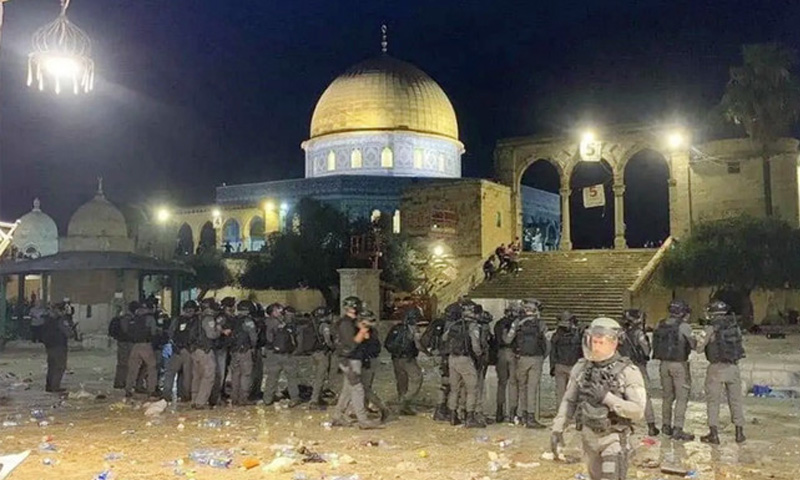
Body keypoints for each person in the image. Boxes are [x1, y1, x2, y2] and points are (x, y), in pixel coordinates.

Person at [551, 317, 646, 480]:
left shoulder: (628, 371)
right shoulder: (581, 368)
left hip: (613, 437)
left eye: (601, 342)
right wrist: (558, 426)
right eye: (593, 342)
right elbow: (569, 400)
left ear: (615, 342)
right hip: (589, 437)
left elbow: (638, 411)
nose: (596, 347)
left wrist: (607, 398)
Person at [698, 300, 746, 444]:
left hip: (716, 368)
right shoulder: (734, 327)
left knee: (713, 402)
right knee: (736, 400)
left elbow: (699, 348)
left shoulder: (710, 328)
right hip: (733, 367)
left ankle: (713, 434)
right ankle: (739, 433)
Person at [331, 296, 380, 429]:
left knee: (347, 390)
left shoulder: (349, 322)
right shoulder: (346, 324)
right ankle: (363, 421)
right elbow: (351, 344)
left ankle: (337, 416)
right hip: (349, 360)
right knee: (358, 389)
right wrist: (363, 330)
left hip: (351, 359)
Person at [652, 299, 696, 441]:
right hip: (679, 364)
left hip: (663, 364)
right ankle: (678, 428)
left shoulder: (660, 324)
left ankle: (665, 426)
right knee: (682, 397)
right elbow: (694, 345)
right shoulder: (684, 327)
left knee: (667, 397)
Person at [504, 298, 548, 428]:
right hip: (537, 358)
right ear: (536, 310)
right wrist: (542, 356)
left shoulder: (517, 322)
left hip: (521, 358)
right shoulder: (541, 324)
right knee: (532, 388)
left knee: (522, 387)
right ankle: (531, 417)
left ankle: (522, 415)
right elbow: (546, 343)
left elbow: (507, 340)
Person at [442, 301, 485, 428]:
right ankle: (470, 418)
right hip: (465, 359)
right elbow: (476, 346)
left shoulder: (454, 324)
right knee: (472, 389)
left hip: (452, 358)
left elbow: (444, 338)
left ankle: (453, 416)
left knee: (454, 389)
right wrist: (479, 356)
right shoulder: (473, 326)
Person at [618, 309, 659, 437]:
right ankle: (651, 425)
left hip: (621, 367)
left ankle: (624, 424)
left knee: (622, 394)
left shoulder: (619, 334)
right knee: (644, 396)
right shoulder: (638, 333)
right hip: (638, 367)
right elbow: (646, 351)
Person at [384, 306, 423, 415]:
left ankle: (403, 406)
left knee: (401, 382)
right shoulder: (414, 329)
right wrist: (429, 353)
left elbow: (387, 343)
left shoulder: (397, 327)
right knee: (417, 378)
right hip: (408, 359)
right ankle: (404, 401)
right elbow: (418, 345)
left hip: (395, 358)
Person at [191, 298, 225, 409]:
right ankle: (200, 402)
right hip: (205, 350)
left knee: (197, 376)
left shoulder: (197, 317)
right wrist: (219, 330)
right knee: (209, 376)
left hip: (195, 350)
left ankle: (194, 399)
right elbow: (211, 335)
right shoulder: (208, 318)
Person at [263, 303, 300, 406]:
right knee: (291, 377)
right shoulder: (280, 322)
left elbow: (269, 339)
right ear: (274, 311)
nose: (281, 312)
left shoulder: (266, 322)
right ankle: (294, 398)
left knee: (272, 377)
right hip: (286, 354)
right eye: (279, 310)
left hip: (272, 353)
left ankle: (267, 399)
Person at [124, 301, 159, 398]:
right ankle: (151, 390)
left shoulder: (133, 318)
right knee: (152, 367)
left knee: (132, 369)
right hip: (146, 345)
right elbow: (153, 332)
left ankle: (128, 389)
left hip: (134, 346)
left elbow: (127, 331)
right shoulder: (149, 318)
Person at [164, 300, 197, 402]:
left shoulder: (177, 320)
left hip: (176, 349)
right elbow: (194, 336)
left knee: (170, 373)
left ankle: (166, 394)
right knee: (187, 375)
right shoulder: (195, 321)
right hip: (188, 350)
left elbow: (170, 333)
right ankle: (185, 396)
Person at [359, 309, 389, 422]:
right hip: (371, 360)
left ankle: (383, 408)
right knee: (365, 387)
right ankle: (364, 408)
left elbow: (364, 347)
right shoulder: (372, 330)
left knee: (365, 388)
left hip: (367, 361)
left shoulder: (367, 331)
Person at [550, 311, 583, 408]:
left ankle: (561, 413)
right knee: (573, 392)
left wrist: (553, 367)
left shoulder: (556, 335)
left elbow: (553, 352)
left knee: (561, 392)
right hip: (573, 366)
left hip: (560, 365)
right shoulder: (578, 334)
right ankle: (570, 414)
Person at [493, 301, 520, 423]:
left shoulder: (498, 324)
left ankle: (499, 412)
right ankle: (512, 413)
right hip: (512, 354)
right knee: (513, 383)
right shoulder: (516, 324)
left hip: (500, 354)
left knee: (501, 383)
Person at [229, 300, 258, 405]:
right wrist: (253, 347)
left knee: (235, 374)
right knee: (246, 374)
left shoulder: (233, 320)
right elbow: (253, 337)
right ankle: (243, 398)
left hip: (234, 351)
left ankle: (234, 398)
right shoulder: (248, 321)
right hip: (245, 350)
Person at [308, 306, 336, 408]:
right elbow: (328, 340)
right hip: (322, 354)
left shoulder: (315, 324)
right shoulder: (325, 326)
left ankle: (318, 397)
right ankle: (314, 400)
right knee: (320, 376)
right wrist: (333, 348)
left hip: (315, 353)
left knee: (318, 375)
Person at [41, 302, 72, 393]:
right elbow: (68, 333)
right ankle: (55, 387)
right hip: (59, 345)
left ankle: (49, 386)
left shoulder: (47, 319)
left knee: (51, 366)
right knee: (60, 367)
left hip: (49, 346)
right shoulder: (61, 320)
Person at [211, 297, 236, 405]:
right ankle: (216, 396)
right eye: (232, 305)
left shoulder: (229, 317)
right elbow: (216, 327)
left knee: (224, 371)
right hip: (220, 348)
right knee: (219, 373)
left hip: (226, 347)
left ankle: (221, 393)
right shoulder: (222, 317)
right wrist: (223, 331)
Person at [109, 302, 136, 389]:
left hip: (122, 342)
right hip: (126, 342)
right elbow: (126, 330)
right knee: (125, 363)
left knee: (123, 363)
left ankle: (121, 381)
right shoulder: (129, 318)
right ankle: (121, 382)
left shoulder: (124, 317)